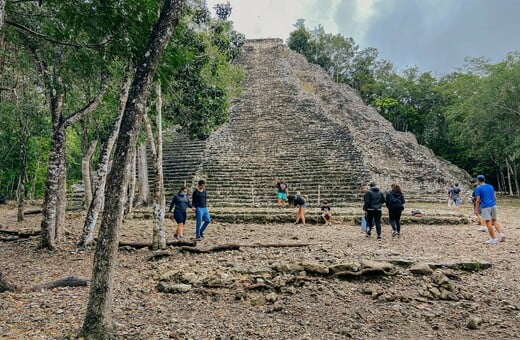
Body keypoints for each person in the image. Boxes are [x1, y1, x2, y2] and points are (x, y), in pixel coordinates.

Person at [474, 174, 505, 244]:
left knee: (488, 222)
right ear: (484, 179)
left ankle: (493, 239)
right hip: (493, 205)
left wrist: (476, 209)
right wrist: (493, 203)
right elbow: (495, 197)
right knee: (494, 221)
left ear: (478, 180)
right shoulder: (490, 186)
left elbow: (478, 200)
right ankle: (501, 234)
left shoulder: (478, 188)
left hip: (485, 206)